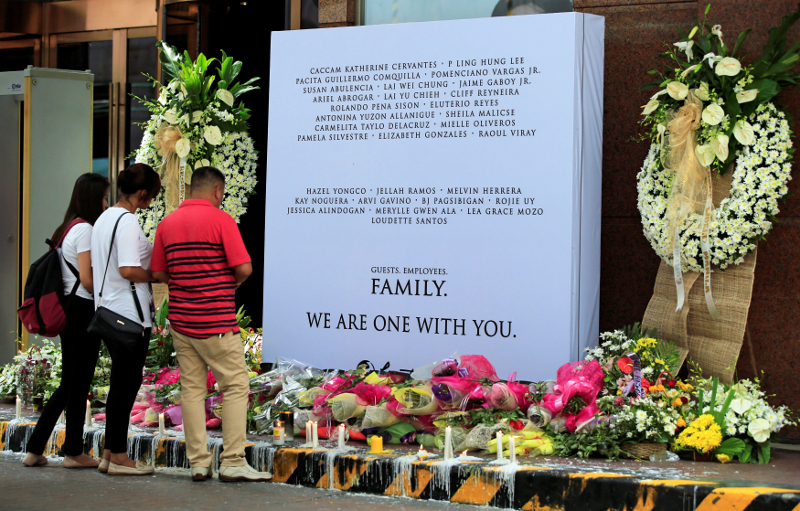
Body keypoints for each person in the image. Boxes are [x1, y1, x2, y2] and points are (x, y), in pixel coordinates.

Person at [151, 166, 270, 482]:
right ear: (218, 190)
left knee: (190, 389)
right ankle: (232, 461)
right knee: (234, 385)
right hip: (216, 320)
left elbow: (159, 273)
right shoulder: (221, 220)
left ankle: (199, 463)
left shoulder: (167, 223)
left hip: (181, 321)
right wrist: (225, 284)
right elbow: (244, 267)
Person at [23, 173, 110, 469]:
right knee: (75, 383)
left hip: (70, 310)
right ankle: (69, 451)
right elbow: (87, 280)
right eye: (104, 197)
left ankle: (42, 449)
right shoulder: (84, 230)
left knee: (71, 383)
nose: (106, 203)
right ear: (92, 199)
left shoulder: (67, 227)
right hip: (82, 312)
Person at [91, 163, 161, 476]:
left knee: (119, 384)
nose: (152, 201)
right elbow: (129, 269)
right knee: (125, 385)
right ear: (143, 193)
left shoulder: (105, 218)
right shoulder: (128, 222)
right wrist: (158, 278)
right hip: (129, 316)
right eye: (152, 195)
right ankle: (118, 455)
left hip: (107, 310)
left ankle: (109, 452)